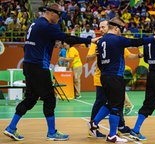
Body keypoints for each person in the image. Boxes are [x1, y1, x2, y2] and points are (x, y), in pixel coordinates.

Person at [3, 3, 99, 141]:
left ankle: (11, 127)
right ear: (52, 13)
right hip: (38, 66)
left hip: (29, 65)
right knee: (49, 98)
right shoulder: (46, 26)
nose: (60, 19)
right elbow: (68, 39)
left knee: (30, 99)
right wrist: (90, 40)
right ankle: (52, 132)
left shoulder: (34, 24)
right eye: (59, 15)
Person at [87, 17, 155, 143]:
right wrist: (154, 38)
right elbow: (137, 41)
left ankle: (94, 122)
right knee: (117, 106)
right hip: (115, 77)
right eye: (120, 29)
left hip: (104, 76)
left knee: (110, 103)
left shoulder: (100, 41)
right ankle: (112, 135)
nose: (121, 32)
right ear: (116, 28)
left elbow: (99, 62)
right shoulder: (117, 39)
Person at [86, 20, 142, 138]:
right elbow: (88, 59)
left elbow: (129, 55)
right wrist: (96, 54)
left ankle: (119, 126)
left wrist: (139, 55)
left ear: (110, 27)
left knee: (116, 102)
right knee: (102, 102)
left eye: (103, 27)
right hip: (103, 76)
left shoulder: (116, 41)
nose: (101, 29)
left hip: (114, 77)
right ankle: (94, 125)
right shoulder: (97, 42)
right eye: (99, 27)